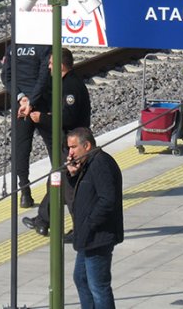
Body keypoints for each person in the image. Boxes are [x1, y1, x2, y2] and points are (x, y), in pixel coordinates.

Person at [21, 48, 92, 239]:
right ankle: (43, 220)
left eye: (51, 63)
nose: (49, 67)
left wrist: (42, 118)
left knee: (68, 188)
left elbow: (67, 118)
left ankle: (79, 229)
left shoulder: (70, 87)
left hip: (74, 144)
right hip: (70, 142)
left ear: (61, 65)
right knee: (56, 181)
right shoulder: (65, 83)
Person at [66, 127, 123, 308]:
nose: (70, 152)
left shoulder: (100, 164)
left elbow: (108, 199)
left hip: (98, 236)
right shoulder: (87, 163)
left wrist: (89, 223)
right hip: (87, 235)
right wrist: (73, 174)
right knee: (81, 278)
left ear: (87, 145)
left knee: (98, 285)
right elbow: (83, 192)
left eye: (74, 147)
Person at [1, 43, 52, 208]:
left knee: (21, 149)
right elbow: (44, 76)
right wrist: (32, 101)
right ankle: (61, 187)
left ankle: (25, 193)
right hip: (42, 104)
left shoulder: (12, 47)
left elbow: (6, 77)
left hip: (20, 107)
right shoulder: (44, 46)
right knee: (54, 145)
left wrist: (21, 98)